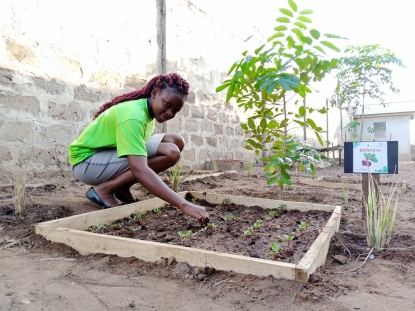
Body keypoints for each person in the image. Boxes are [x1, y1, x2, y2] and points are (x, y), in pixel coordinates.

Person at [68, 73, 209, 225]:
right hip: (86, 163)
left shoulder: (146, 109)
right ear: (154, 92)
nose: (169, 113)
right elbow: (139, 169)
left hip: (104, 155)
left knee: (175, 142)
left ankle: (122, 188)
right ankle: (104, 190)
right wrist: (183, 204)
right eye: (167, 105)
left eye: (175, 111)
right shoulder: (134, 116)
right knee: (170, 153)